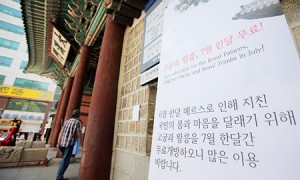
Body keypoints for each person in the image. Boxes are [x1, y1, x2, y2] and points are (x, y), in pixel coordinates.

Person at [56, 109, 82, 180]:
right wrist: (82, 144)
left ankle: (60, 176)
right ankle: (59, 177)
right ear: (78, 115)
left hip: (62, 144)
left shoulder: (67, 121)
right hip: (69, 144)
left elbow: (61, 132)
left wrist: (58, 141)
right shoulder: (77, 123)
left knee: (65, 160)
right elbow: (79, 134)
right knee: (65, 161)